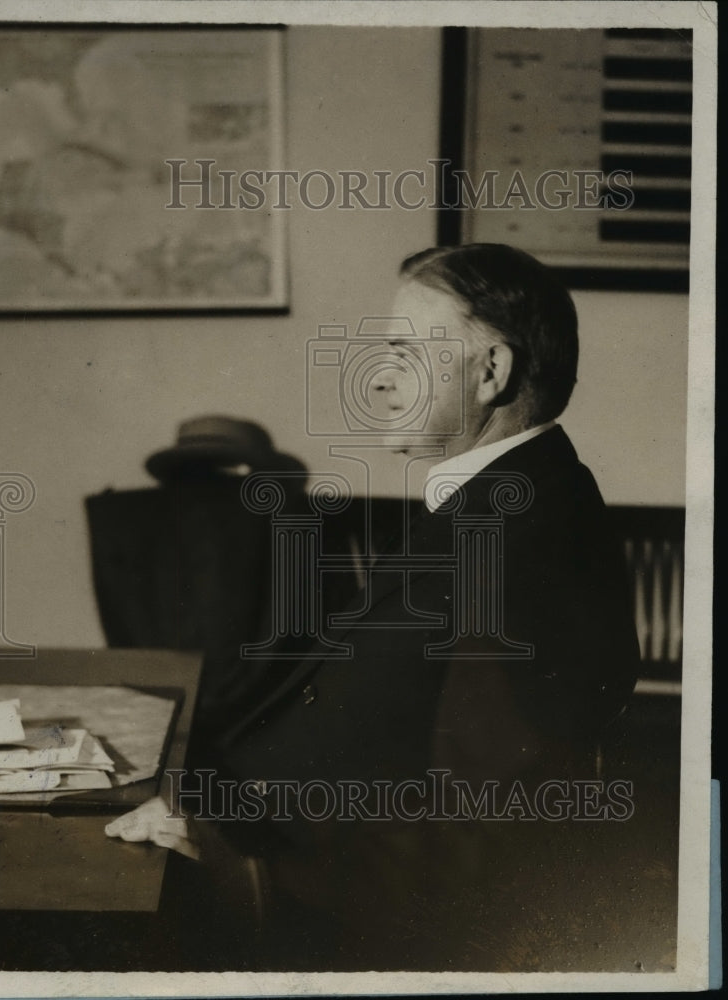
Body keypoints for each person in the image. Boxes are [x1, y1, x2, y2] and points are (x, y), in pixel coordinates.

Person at [105, 244, 640, 970]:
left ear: (491, 372)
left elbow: (488, 828)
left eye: (403, 352)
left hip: (307, 899)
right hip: (254, 823)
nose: (380, 380)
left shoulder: (528, 540)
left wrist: (235, 860)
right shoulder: (497, 498)